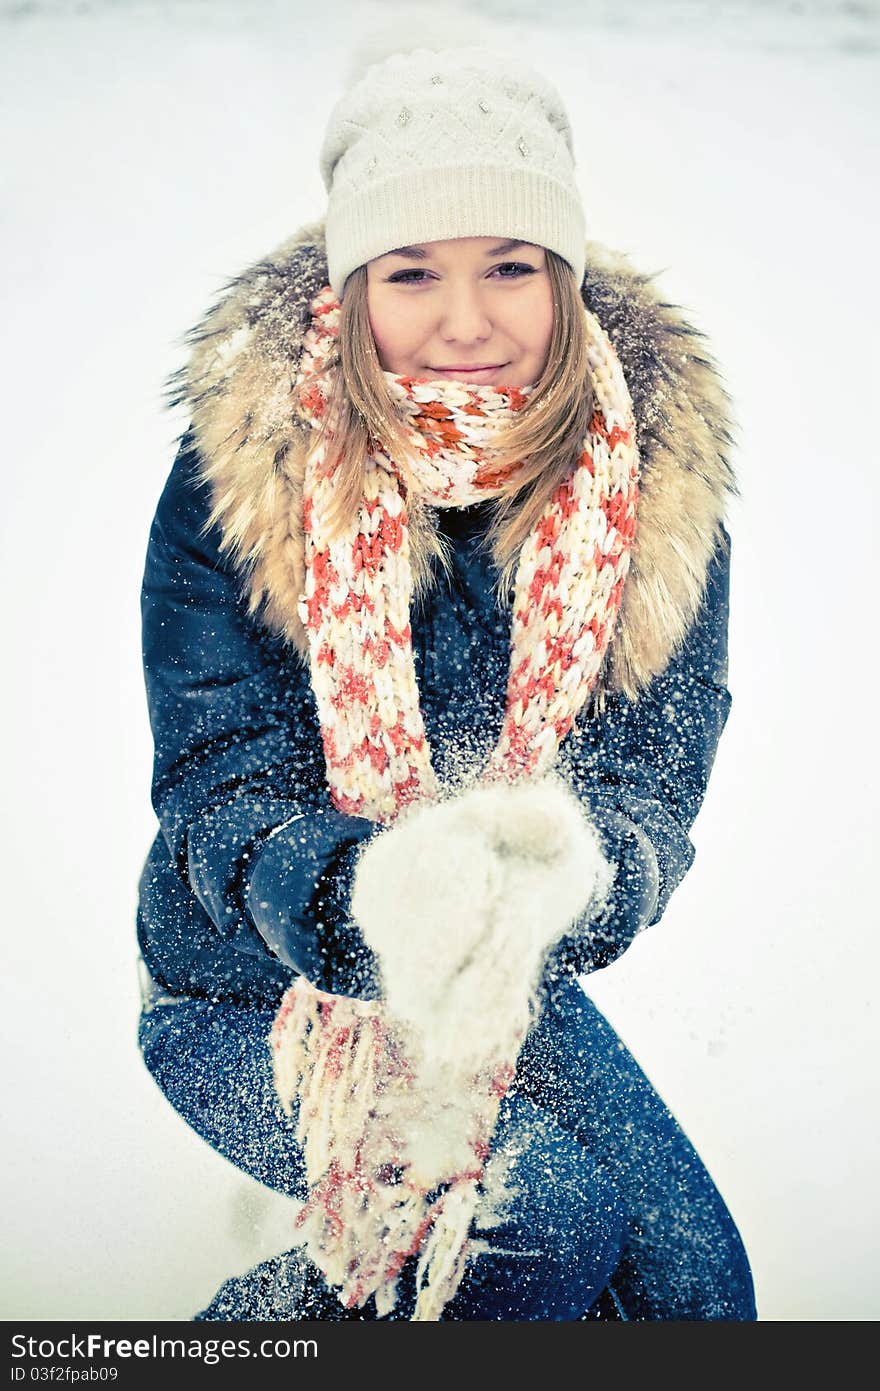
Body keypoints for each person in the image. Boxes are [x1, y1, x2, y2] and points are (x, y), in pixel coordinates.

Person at [135, 38, 757, 1323]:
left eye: (511, 267)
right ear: (355, 287)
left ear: (565, 281)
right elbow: (214, 784)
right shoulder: (246, 474)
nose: (464, 319)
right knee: (534, 1227)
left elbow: (648, 786)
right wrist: (362, 893)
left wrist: (575, 873)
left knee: (696, 1294)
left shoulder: (657, 493)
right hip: (248, 979)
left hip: (495, 983)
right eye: (412, 271)